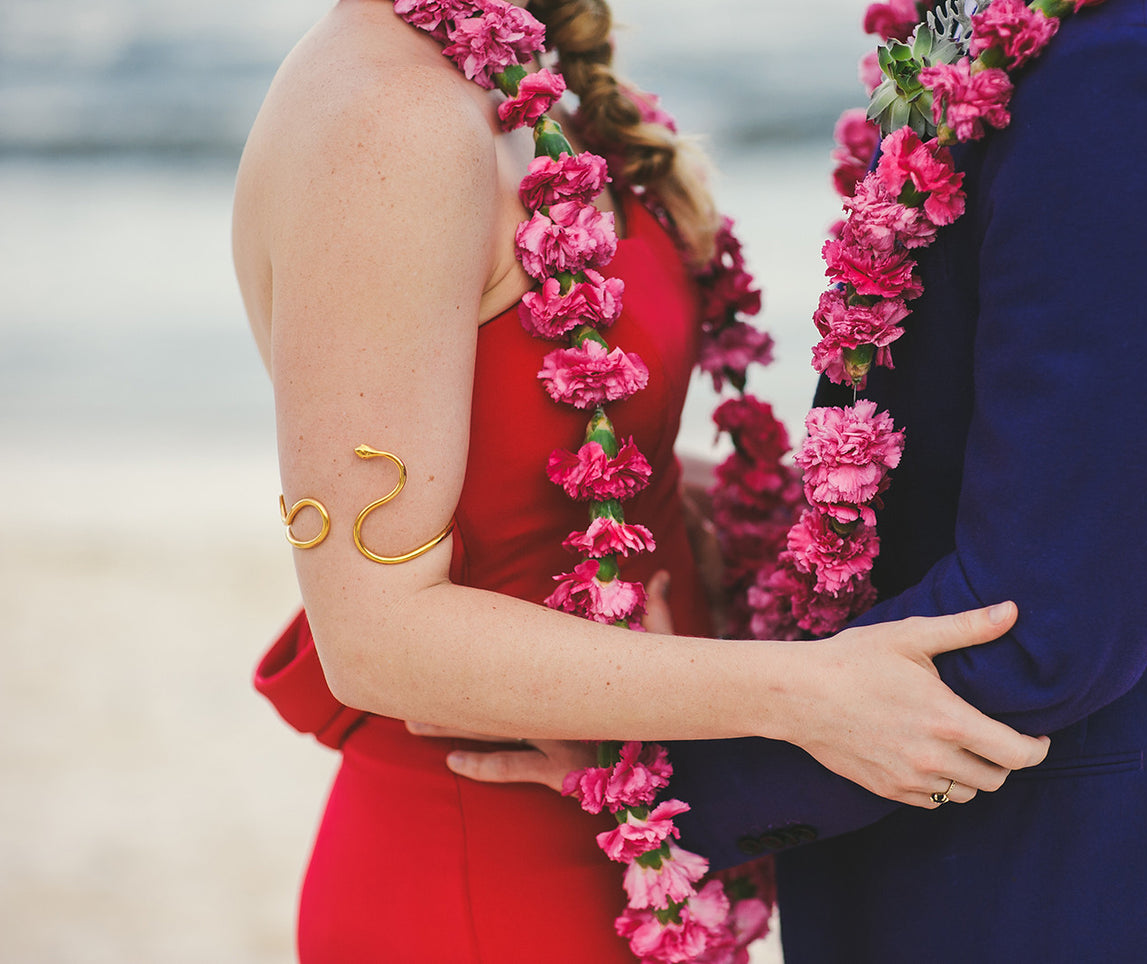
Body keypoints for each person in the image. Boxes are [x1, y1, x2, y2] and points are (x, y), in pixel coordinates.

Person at [454, 0, 1147, 960]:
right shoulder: (1120, 39)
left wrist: (667, 763)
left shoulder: (1137, 82)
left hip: (1093, 878)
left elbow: (1037, 624)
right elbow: (1103, 468)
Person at [231, 0, 1048, 960]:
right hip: (489, 866)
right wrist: (805, 695)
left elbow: (528, 454)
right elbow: (373, 637)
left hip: (628, 821)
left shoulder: (495, 58)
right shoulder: (388, 115)